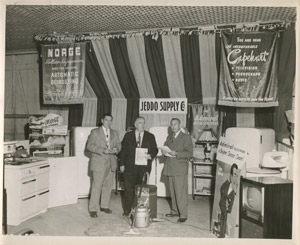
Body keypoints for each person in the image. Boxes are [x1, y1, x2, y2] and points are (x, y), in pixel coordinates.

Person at [120, 116, 158, 220]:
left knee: (141, 189)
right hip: (129, 167)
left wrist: (151, 155)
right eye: (140, 123)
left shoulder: (150, 136)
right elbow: (123, 151)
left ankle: (139, 210)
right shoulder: (128, 136)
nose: (142, 124)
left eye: (143, 122)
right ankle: (127, 211)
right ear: (135, 125)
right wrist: (122, 164)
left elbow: (155, 149)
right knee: (128, 189)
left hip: (143, 168)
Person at [86, 113, 121, 218]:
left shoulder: (115, 133)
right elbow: (89, 146)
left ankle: (104, 206)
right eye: (106, 120)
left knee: (108, 186)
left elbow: (119, 145)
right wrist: (102, 150)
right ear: (102, 120)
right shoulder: (95, 132)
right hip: (99, 163)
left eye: (111, 120)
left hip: (111, 162)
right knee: (97, 186)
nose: (109, 122)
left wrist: (117, 149)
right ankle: (93, 209)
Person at [162, 118, 193, 223]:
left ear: (180, 125)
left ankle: (183, 214)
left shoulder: (186, 137)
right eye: (172, 125)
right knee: (173, 191)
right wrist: (163, 151)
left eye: (175, 124)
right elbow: (166, 148)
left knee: (180, 193)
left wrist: (177, 154)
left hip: (180, 168)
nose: (173, 126)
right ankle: (175, 211)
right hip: (170, 167)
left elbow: (189, 153)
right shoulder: (169, 137)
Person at [219, 163, 239, 238]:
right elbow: (221, 189)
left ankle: (225, 234)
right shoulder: (227, 182)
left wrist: (233, 186)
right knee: (223, 218)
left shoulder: (235, 182)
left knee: (226, 219)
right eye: (232, 173)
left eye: (235, 173)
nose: (233, 175)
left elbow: (236, 191)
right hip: (225, 202)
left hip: (230, 202)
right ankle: (222, 234)